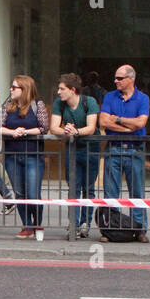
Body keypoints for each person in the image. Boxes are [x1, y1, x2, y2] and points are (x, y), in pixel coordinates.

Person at [100, 63, 150, 242]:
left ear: (131, 79)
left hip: (135, 149)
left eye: (119, 78)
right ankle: (109, 229)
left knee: (136, 190)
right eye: (115, 78)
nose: (116, 81)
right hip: (114, 148)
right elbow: (104, 121)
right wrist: (126, 128)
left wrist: (119, 119)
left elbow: (140, 123)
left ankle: (140, 229)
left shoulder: (143, 98)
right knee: (110, 191)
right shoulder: (109, 97)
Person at [50, 73, 99, 238]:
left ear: (72, 90)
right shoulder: (60, 103)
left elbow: (91, 127)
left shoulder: (89, 102)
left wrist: (76, 131)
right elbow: (53, 127)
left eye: (62, 89)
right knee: (73, 188)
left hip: (90, 149)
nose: (58, 92)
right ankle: (74, 224)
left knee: (88, 188)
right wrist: (66, 130)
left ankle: (85, 223)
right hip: (72, 149)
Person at [0, 75, 49, 239]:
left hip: (33, 156)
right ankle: (26, 225)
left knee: (33, 193)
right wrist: (13, 132)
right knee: (20, 193)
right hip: (11, 156)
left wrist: (25, 131)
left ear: (24, 89)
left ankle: (37, 223)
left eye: (14, 87)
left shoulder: (37, 105)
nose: (11, 90)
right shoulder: (8, 106)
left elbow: (44, 128)